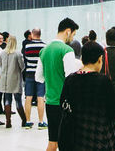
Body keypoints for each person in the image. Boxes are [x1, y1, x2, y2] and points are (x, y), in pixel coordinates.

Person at [57, 41, 115, 151]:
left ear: (82, 59)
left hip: (76, 139)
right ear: (100, 59)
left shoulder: (70, 80)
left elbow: (63, 105)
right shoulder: (104, 81)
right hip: (99, 139)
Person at [41, 18, 82, 151]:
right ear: (68, 31)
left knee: (53, 142)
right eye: (74, 34)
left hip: (50, 102)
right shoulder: (67, 50)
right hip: (65, 104)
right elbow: (71, 79)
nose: (73, 38)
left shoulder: (44, 50)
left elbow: (39, 77)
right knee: (68, 143)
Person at [0, 34, 27, 128]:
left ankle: (8, 121)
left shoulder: (2, 53)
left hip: (5, 80)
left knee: (7, 100)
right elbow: (22, 67)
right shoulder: (18, 53)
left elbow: (0, 65)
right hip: (15, 79)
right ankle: (24, 120)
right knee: (18, 101)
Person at [21, 28, 46, 129]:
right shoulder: (44, 46)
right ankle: (41, 122)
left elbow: (25, 58)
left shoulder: (27, 46)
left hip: (29, 74)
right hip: (40, 74)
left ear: (32, 34)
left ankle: (28, 121)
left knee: (28, 97)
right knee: (40, 98)